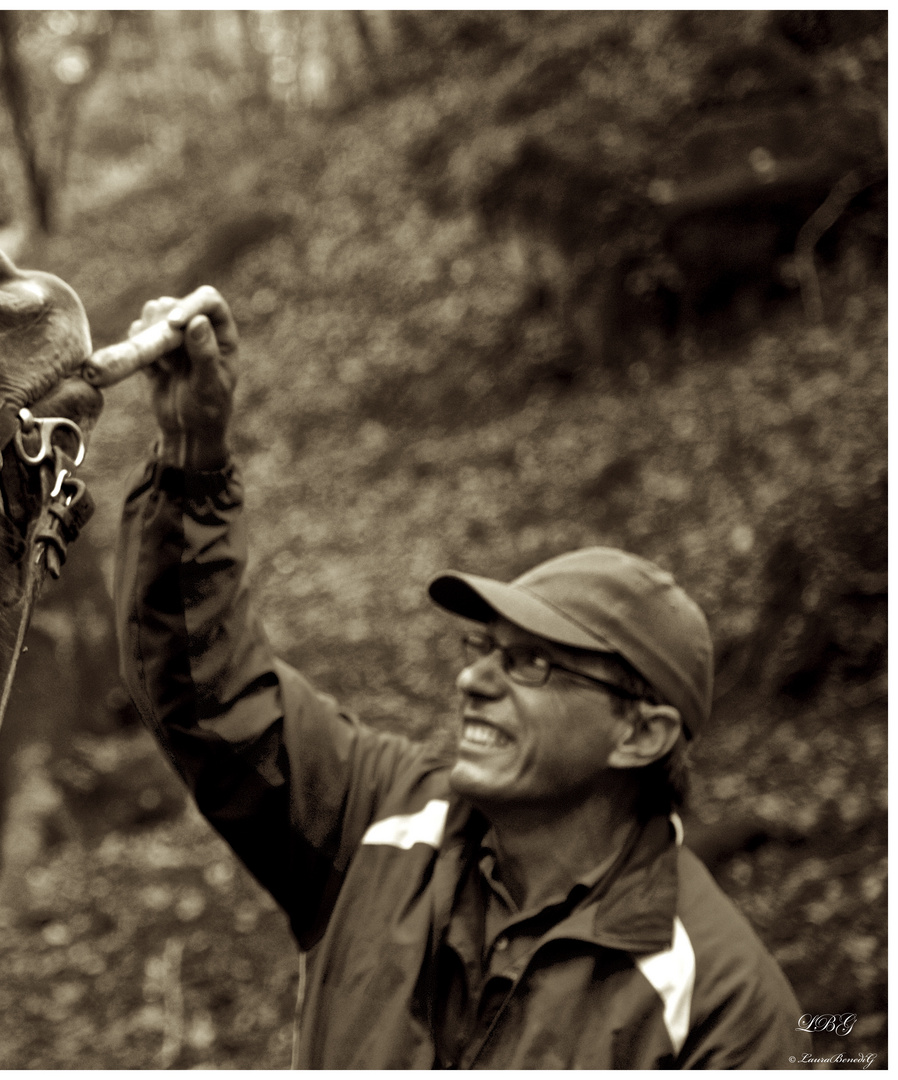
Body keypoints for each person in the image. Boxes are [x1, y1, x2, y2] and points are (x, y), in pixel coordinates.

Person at [111, 287, 809, 1068]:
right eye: (480, 648)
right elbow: (209, 694)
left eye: (530, 663)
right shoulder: (373, 820)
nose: (473, 680)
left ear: (641, 733)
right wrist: (190, 457)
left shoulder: (723, 1002)